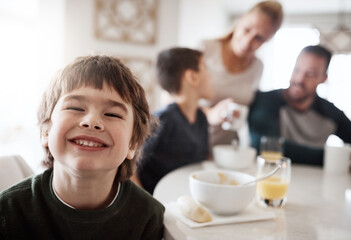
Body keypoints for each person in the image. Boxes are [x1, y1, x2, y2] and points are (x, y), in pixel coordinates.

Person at [0, 55, 164, 239]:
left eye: (112, 114)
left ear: (132, 144)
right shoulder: (8, 211)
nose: (91, 121)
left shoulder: (148, 217)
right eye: (76, 108)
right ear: (46, 130)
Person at [248, 45, 351, 166]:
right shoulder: (266, 101)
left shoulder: (331, 113)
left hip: (316, 182)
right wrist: (333, 158)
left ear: (323, 78)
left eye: (310, 74)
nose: (299, 79)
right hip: (271, 178)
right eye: (297, 70)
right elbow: (265, 145)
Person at [199, 0, 283, 148]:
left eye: (259, 38)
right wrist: (210, 114)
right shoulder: (206, 49)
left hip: (224, 150)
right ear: (241, 19)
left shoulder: (258, 67)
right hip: (189, 144)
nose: (248, 41)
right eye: (247, 29)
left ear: (268, 40)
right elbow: (172, 98)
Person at [131, 47, 214, 194]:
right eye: (206, 69)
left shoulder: (201, 118)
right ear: (192, 77)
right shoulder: (162, 120)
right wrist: (148, 203)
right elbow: (129, 166)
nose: (211, 76)